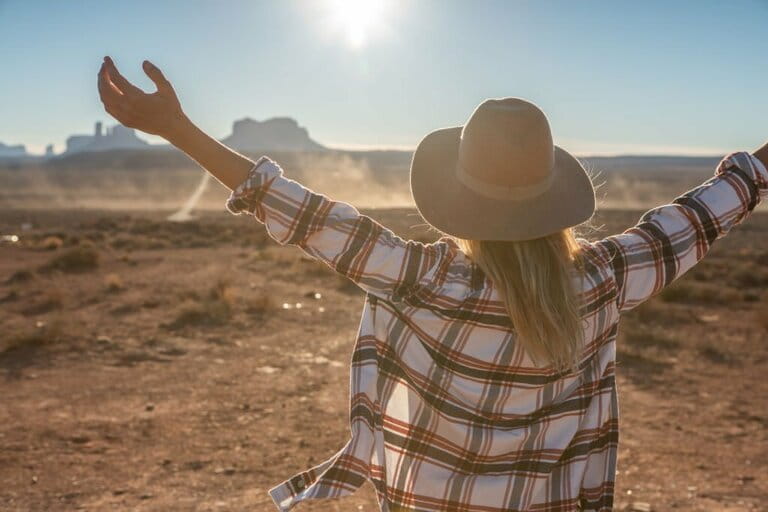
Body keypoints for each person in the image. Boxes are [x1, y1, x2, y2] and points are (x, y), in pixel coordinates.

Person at [97, 56, 768, 512]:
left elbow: (299, 212)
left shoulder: (422, 278)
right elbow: (703, 213)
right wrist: (752, 171)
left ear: (461, 195)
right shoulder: (605, 277)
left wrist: (177, 129)